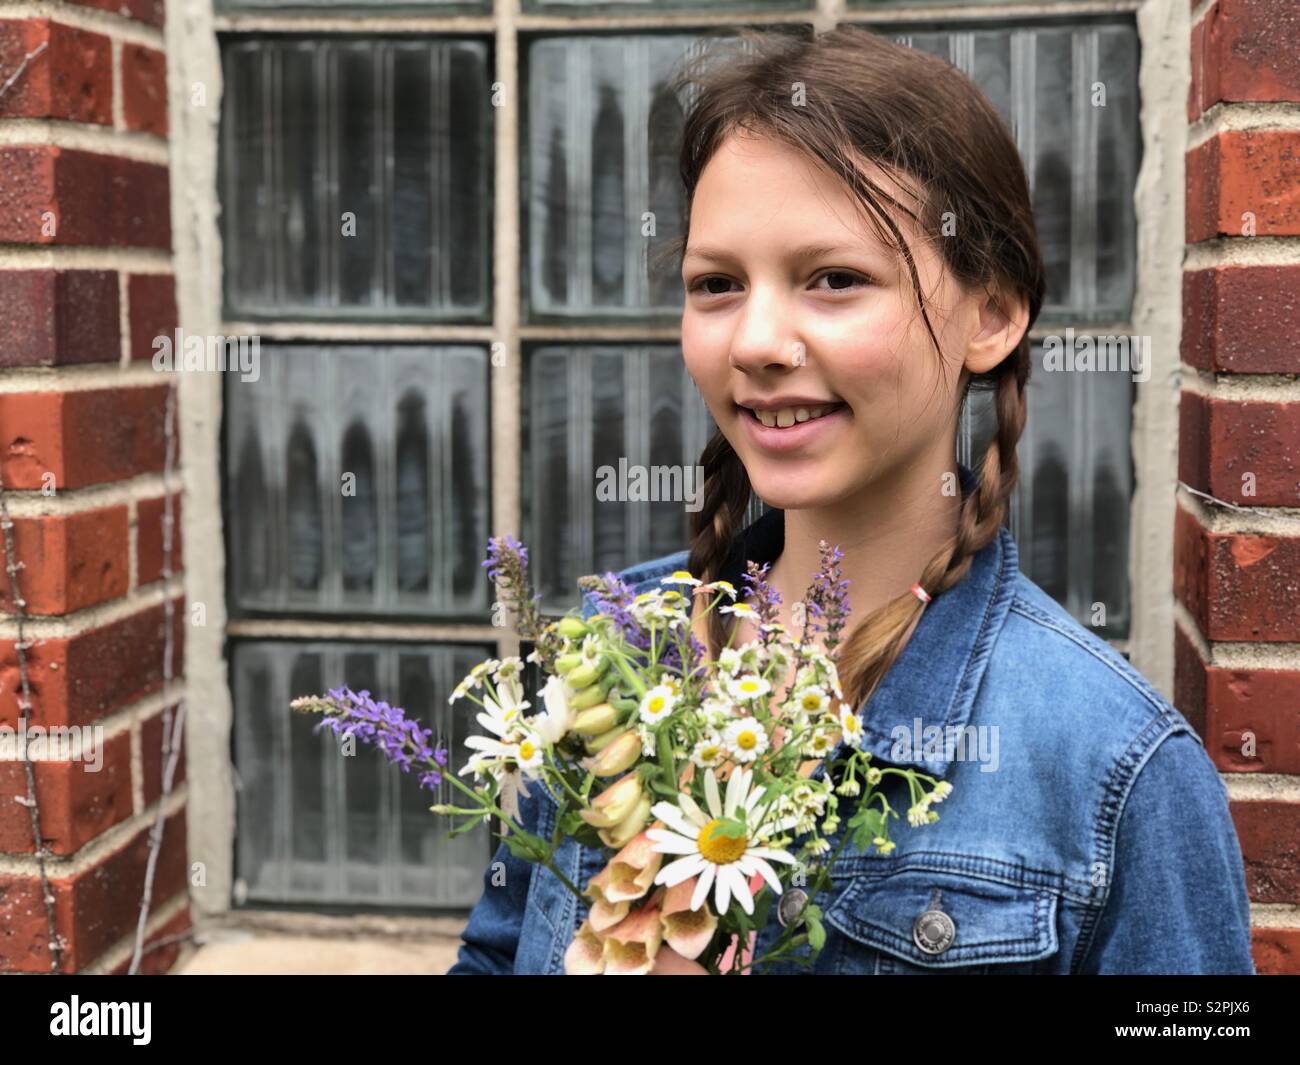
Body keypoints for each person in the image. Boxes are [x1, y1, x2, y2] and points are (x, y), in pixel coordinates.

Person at [447, 25, 1255, 976]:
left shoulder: (1114, 769)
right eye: (716, 284)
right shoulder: (615, 651)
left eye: (833, 279)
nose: (755, 339)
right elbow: (498, 953)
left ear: (990, 312)